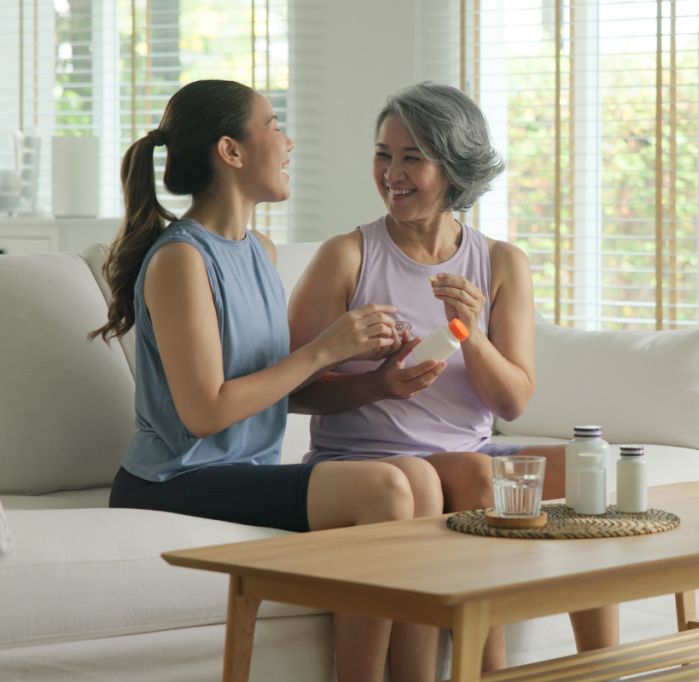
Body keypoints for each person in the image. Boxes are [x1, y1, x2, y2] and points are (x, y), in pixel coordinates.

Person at [91, 79, 444, 682]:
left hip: (244, 469)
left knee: (419, 477)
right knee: (384, 490)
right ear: (231, 152)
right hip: (174, 477)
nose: (289, 141)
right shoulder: (182, 259)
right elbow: (205, 413)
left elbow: (277, 388)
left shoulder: (262, 251)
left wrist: (376, 384)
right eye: (274, 124)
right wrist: (325, 347)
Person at [288, 81, 619, 671]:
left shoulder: (499, 263)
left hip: (467, 447)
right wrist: (377, 384)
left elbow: (513, 400)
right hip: (369, 462)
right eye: (383, 154)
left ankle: (603, 665)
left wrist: (473, 331)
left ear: (455, 167)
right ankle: (486, 669)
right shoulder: (348, 256)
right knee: (474, 470)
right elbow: (295, 390)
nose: (392, 173)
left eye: (412, 157)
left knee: (589, 464)